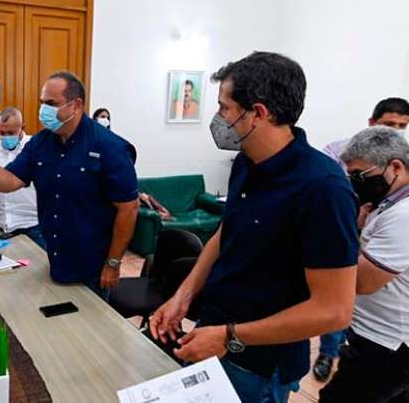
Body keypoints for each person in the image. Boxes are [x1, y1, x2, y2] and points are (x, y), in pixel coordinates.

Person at [149, 52, 359, 403]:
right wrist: (183, 296)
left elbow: (334, 310)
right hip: (214, 331)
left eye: (224, 108)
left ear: (258, 114)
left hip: (259, 364)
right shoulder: (247, 162)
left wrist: (230, 336)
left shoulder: (323, 188)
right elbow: (224, 233)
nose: (218, 118)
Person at [0, 70, 139, 300]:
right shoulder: (41, 142)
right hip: (55, 256)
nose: (43, 110)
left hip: (94, 265)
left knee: (90, 329)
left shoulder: (109, 147)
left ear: (76, 105)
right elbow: (10, 181)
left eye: (51, 103)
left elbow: (129, 209)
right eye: (42, 103)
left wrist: (113, 263)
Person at [313, 96, 409, 381]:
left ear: (395, 167)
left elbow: (363, 281)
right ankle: (328, 352)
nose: (354, 182)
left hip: (387, 342)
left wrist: (347, 234)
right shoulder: (387, 200)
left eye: (359, 175)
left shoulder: (403, 215)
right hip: (373, 331)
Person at [0, 107, 45, 249]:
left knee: (38, 268)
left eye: (11, 132)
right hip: (3, 226)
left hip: (33, 225)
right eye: (2, 132)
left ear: (22, 128)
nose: (6, 136)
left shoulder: (36, 147)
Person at [323, 97, 409, 168]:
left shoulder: (406, 156)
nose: (396, 130)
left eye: (402, 125)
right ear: (372, 122)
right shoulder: (337, 150)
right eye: (389, 124)